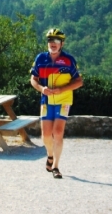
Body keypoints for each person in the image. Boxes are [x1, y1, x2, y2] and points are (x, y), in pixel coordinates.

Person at [30, 28, 83, 179]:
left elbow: (79, 82)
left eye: (56, 41)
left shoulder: (68, 60)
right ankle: (50, 155)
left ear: (62, 44)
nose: (53, 44)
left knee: (58, 132)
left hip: (64, 100)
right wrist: (42, 88)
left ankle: (56, 167)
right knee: (46, 135)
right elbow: (33, 79)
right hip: (46, 101)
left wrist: (62, 89)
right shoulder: (41, 58)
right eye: (50, 41)